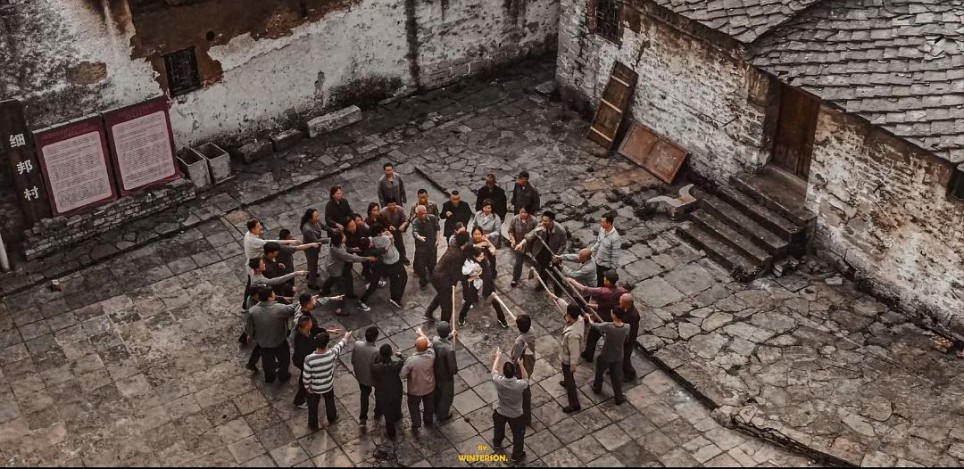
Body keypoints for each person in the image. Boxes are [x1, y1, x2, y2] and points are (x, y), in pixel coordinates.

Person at [568, 271, 628, 363]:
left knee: (592, 337)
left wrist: (572, 281)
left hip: (603, 317)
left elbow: (584, 289)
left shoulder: (604, 291)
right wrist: (596, 306)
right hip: (613, 316)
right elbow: (610, 304)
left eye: (605, 278)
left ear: (608, 281)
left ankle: (588, 355)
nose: (603, 279)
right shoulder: (620, 291)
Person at [245, 286, 301, 383]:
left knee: (267, 363)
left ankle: (270, 378)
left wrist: (250, 336)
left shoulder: (252, 310)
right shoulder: (279, 308)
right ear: (270, 297)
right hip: (279, 341)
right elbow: (294, 307)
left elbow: (249, 327)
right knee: (284, 360)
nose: (275, 294)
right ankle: (282, 376)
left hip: (263, 343)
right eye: (273, 293)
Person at [242, 219, 297, 310]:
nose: (261, 227)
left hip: (253, 263)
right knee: (254, 287)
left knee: (250, 285)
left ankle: (245, 304)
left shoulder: (249, 234)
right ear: (252, 229)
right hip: (254, 264)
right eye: (258, 226)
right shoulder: (253, 241)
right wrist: (289, 242)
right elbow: (275, 280)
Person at [302, 330, 352, 430]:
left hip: (314, 388)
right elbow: (339, 346)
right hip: (328, 385)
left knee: (312, 407)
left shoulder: (309, 359)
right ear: (327, 343)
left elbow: (306, 377)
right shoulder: (332, 354)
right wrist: (346, 337)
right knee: (330, 401)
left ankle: (313, 424)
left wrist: (308, 388)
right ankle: (332, 417)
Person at [320, 232, 376, 314]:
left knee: (332, 278)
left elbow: (345, 248)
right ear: (340, 240)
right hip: (335, 268)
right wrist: (366, 258)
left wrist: (353, 249)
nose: (344, 236)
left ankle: (324, 290)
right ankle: (340, 309)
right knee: (342, 289)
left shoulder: (335, 242)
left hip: (332, 264)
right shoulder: (338, 251)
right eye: (343, 236)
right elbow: (351, 258)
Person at [359, 224, 408, 310]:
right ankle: (395, 298)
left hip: (382, 263)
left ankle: (363, 300)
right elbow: (387, 247)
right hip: (391, 262)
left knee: (380, 282)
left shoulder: (371, 240)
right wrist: (390, 236)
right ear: (378, 233)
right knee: (402, 278)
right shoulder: (383, 240)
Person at [517, 211, 567, 293]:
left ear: (551, 221)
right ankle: (542, 285)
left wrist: (557, 256)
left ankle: (558, 292)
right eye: (542, 220)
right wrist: (521, 244)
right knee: (543, 270)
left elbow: (563, 245)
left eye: (546, 221)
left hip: (554, 253)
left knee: (557, 274)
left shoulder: (561, 230)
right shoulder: (540, 226)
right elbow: (531, 235)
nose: (543, 222)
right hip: (542, 252)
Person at [491, 353, 529, 463]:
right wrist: (521, 365)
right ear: (514, 372)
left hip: (501, 411)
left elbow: (494, 371)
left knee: (498, 429)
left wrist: (497, 357)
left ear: (503, 372)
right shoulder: (519, 385)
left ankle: (497, 442)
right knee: (518, 435)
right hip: (516, 414)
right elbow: (526, 379)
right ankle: (516, 455)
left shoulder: (498, 381)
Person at [425, 231, 471, 321]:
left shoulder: (454, 247)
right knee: (447, 307)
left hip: (437, 276)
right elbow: (457, 273)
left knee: (441, 296)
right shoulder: (458, 255)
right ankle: (444, 326)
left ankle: (429, 312)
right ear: (465, 243)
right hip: (442, 281)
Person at [589, 308, 629, 405]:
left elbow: (594, 325)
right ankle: (619, 397)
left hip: (606, 354)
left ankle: (597, 387)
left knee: (599, 371)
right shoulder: (627, 327)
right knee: (616, 377)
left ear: (614, 315)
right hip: (618, 356)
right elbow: (626, 339)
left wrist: (588, 317)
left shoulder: (609, 326)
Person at [400, 335, 436, 429]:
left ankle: (416, 423)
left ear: (415, 346)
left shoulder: (411, 361)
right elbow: (430, 346)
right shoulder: (431, 355)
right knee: (428, 405)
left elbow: (402, 375)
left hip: (414, 390)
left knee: (413, 406)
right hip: (429, 387)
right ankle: (428, 420)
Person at [372, 344, 405, 440]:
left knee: (387, 414)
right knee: (397, 403)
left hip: (383, 393)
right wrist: (400, 355)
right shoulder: (396, 365)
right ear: (391, 353)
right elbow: (404, 360)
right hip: (396, 389)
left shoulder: (376, 367)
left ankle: (391, 433)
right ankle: (397, 416)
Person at [352, 326, 382, 427]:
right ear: (376, 337)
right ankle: (378, 412)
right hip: (373, 378)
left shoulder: (357, 344)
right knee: (379, 393)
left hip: (361, 376)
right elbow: (378, 367)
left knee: (364, 395)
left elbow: (353, 360)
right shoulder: (377, 351)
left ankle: (363, 418)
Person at [509, 314, 536, 426]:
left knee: (523, 389)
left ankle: (525, 417)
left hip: (522, 366)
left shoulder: (520, 341)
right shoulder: (531, 330)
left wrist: (511, 367)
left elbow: (515, 357)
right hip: (530, 361)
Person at [431, 322, 459, 421]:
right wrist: (455, 370)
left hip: (435, 372)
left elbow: (442, 340)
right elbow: (453, 368)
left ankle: (435, 409)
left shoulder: (435, 340)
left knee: (436, 392)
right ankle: (443, 415)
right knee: (446, 397)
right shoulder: (449, 350)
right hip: (445, 376)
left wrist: (451, 335)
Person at [411, 205, 441, 290]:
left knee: (432, 264)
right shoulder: (416, 222)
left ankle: (433, 277)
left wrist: (437, 240)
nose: (423, 215)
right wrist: (419, 237)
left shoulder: (433, 218)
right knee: (421, 266)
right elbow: (414, 232)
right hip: (421, 248)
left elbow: (437, 229)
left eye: (424, 213)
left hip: (432, 245)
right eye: (420, 214)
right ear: (417, 214)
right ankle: (423, 282)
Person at [292, 315, 319, 409]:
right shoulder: (301, 341)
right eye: (310, 322)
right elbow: (306, 353)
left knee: (304, 376)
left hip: (303, 361)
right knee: (306, 381)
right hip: (304, 362)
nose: (312, 323)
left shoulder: (303, 332)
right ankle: (299, 401)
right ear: (307, 326)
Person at [507, 207, 537, 288]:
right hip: (519, 244)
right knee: (518, 262)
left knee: (536, 261)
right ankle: (515, 279)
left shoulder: (534, 221)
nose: (523, 214)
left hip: (531, 244)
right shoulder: (514, 219)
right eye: (521, 212)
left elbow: (536, 233)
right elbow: (510, 231)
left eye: (525, 212)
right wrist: (512, 240)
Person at [457, 246, 485, 327]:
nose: (482, 258)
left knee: (475, 292)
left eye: (483, 255)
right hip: (470, 282)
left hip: (477, 281)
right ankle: (461, 317)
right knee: (469, 300)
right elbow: (464, 272)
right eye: (480, 256)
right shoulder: (468, 263)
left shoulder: (481, 261)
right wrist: (473, 272)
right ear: (474, 257)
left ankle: (475, 298)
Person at [616, 293, 641, 382]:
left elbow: (629, 330)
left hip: (628, 340)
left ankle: (630, 374)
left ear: (626, 304)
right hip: (623, 337)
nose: (619, 302)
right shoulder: (625, 309)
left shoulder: (632, 316)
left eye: (621, 301)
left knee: (625, 358)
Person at [592, 212, 621, 287]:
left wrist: (612, 269)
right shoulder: (602, 229)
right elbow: (599, 242)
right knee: (594, 279)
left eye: (603, 222)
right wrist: (591, 252)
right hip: (597, 261)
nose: (600, 223)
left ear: (609, 223)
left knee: (601, 284)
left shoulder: (615, 238)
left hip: (605, 266)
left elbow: (615, 255)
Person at [300, 209, 326, 290]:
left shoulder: (316, 221)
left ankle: (309, 274)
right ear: (310, 218)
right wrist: (329, 239)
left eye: (317, 215)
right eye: (316, 216)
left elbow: (323, 226)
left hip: (315, 247)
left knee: (311, 263)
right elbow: (316, 240)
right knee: (313, 265)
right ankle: (311, 283)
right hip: (310, 249)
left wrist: (332, 230)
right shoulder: (308, 229)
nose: (318, 218)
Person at [470, 227, 498, 298]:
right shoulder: (470, 241)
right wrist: (480, 245)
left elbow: (493, 250)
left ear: (482, 234)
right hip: (473, 265)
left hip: (484, 263)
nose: (477, 236)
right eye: (475, 234)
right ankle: (473, 297)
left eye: (479, 234)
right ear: (472, 235)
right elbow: (469, 248)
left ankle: (487, 293)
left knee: (488, 279)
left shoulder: (484, 240)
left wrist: (488, 243)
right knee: (474, 282)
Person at [381, 197, 410, 265]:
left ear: (395, 204)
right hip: (388, 230)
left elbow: (406, 220)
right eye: (390, 205)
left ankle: (403, 257)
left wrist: (403, 225)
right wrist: (386, 229)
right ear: (387, 205)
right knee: (390, 245)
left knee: (400, 244)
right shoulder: (383, 212)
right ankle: (394, 259)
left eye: (393, 205)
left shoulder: (400, 209)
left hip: (397, 229)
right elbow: (381, 222)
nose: (392, 207)